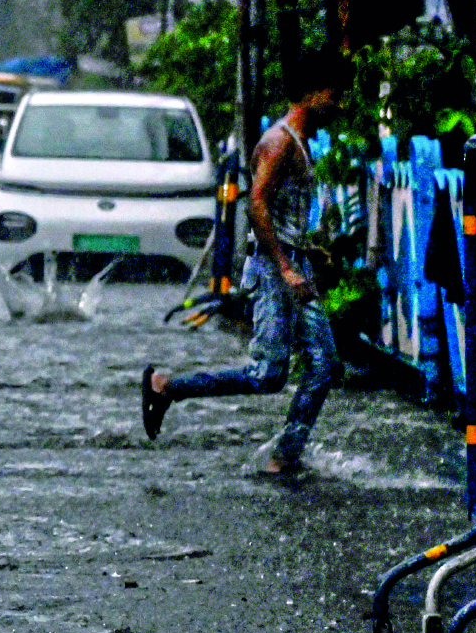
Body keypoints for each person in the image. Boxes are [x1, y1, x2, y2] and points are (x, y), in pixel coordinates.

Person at [141, 53, 349, 475]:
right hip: (276, 270)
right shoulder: (279, 141)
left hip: (293, 264)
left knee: (325, 365)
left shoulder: (301, 142)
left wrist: (306, 254)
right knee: (266, 376)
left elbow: (281, 211)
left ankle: (284, 456)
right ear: (311, 94)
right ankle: (166, 387)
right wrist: (286, 267)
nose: (338, 104)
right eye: (334, 95)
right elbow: (255, 205)